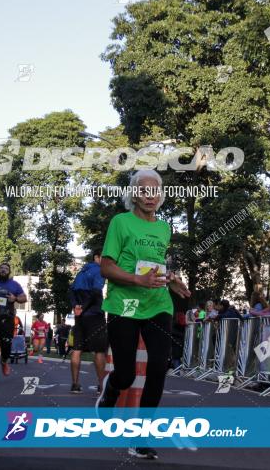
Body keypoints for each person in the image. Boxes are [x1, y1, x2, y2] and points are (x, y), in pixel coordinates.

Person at [96, 169, 191, 461]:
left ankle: (141, 436)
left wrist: (171, 279)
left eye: (156, 191)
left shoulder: (164, 228)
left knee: (158, 368)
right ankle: (109, 392)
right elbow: (106, 267)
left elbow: (155, 267)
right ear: (135, 194)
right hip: (124, 303)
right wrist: (137, 281)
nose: (151, 196)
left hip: (158, 304)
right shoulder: (120, 222)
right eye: (145, 191)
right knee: (125, 375)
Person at [68, 248, 108, 393]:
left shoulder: (82, 271)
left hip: (80, 316)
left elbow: (71, 290)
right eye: (105, 256)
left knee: (77, 349)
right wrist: (84, 307)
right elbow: (96, 292)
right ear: (97, 257)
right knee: (99, 350)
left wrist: (75, 307)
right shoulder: (99, 271)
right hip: (95, 314)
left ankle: (75, 384)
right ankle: (102, 386)